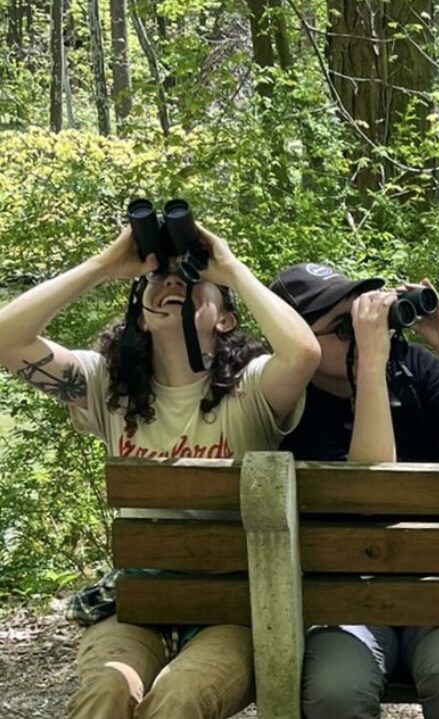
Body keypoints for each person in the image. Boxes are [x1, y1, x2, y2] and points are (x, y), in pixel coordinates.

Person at [0, 223, 319, 718]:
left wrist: (229, 266)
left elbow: (303, 353)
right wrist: (105, 266)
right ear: (141, 318)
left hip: (228, 611)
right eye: (158, 279)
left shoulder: (253, 390)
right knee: (106, 692)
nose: (173, 284)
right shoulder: (108, 385)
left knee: (180, 698)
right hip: (137, 604)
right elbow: (6, 337)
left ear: (227, 320)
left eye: (192, 281)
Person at [269, 263, 439, 719]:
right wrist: (371, 367)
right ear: (295, 341)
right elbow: (371, 489)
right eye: (343, 328)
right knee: (335, 694)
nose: (362, 334)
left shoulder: (414, 368)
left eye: (360, 320)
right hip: (348, 600)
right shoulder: (288, 403)